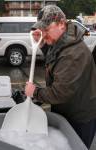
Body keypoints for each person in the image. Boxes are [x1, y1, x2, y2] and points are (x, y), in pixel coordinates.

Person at [25, 5, 96, 149]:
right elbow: (56, 58)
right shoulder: (62, 42)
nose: (43, 33)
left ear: (61, 24)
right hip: (68, 109)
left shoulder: (73, 54)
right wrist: (43, 44)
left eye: (46, 29)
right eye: (41, 29)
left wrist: (35, 92)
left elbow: (60, 93)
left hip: (79, 116)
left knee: (76, 146)